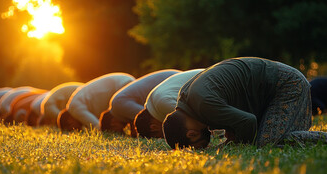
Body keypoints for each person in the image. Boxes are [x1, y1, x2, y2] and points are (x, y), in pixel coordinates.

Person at [163, 57, 327, 149]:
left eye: (200, 147)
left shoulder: (203, 103)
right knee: (271, 138)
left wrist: (232, 145)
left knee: (266, 143)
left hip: (287, 85)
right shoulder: (186, 98)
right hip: (277, 86)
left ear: (191, 134)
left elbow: (248, 122)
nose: (210, 138)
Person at [100, 69, 181, 136]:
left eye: (116, 131)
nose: (122, 131)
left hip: (173, 81)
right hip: (172, 79)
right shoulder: (116, 103)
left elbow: (145, 116)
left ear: (113, 123)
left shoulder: (118, 105)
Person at [133, 69, 204, 138]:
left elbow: (195, 123)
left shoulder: (162, 104)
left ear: (154, 127)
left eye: (160, 137)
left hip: (210, 81)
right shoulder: (152, 102)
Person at [58, 73, 135, 131]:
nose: (77, 130)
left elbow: (96, 126)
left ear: (69, 121)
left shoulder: (74, 108)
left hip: (122, 85)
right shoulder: (74, 102)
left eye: (71, 129)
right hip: (123, 81)